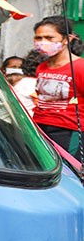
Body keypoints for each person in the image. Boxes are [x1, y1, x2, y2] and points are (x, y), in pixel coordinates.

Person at [32, 15, 84, 160]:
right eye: (38, 38)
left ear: (66, 39)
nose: (42, 42)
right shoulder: (42, 67)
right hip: (39, 128)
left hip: (69, 131)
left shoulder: (79, 67)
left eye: (49, 38)